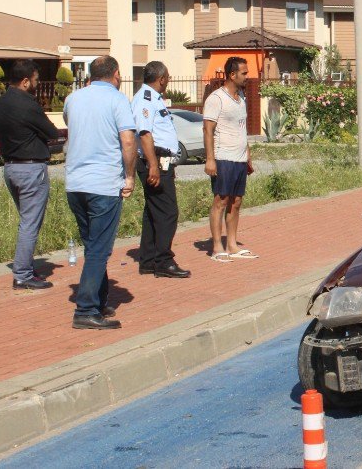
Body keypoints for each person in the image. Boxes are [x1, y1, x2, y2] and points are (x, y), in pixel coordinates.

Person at [63, 56, 137, 330]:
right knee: (99, 249)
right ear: (116, 74)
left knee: (93, 245)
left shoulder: (74, 98)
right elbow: (128, 139)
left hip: (76, 183)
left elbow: (72, 126)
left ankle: (98, 299)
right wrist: (129, 176)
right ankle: (85, 310)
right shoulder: (117, 99)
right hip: (104, 183)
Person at [0, 59, 60, 290]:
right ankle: (22, 274)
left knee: (26, 221)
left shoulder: (0, 103)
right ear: (25, 81)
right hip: (31, 168)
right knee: (30, 223)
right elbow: (51, 131)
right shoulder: (27, 103)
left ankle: (25, 268)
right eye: (35, 79)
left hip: (10, 167)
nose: (37, 83)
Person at [131, 61, 190, 279]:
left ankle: (148, 260)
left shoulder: (153, 98)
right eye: (168, 77)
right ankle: (163, 260)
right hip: (155, 161)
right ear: (162, 78)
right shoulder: (145, 99)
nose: (169, 80)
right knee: (168, 212)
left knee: (153, 212)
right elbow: (145, 134)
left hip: (160, 160)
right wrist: (153, 165)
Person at [203, 57, 257, 262]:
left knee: (236, 202)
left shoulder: (241, 97)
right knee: (221, 200)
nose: (247, 76)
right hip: (223, 157)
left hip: (239, 158)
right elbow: (208, 130)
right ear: (232, 75)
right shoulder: (216, 99)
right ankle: (217, 247)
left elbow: (242, 129)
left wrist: (248, 156)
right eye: (244, 73)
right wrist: (210, 159)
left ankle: (232, 245)